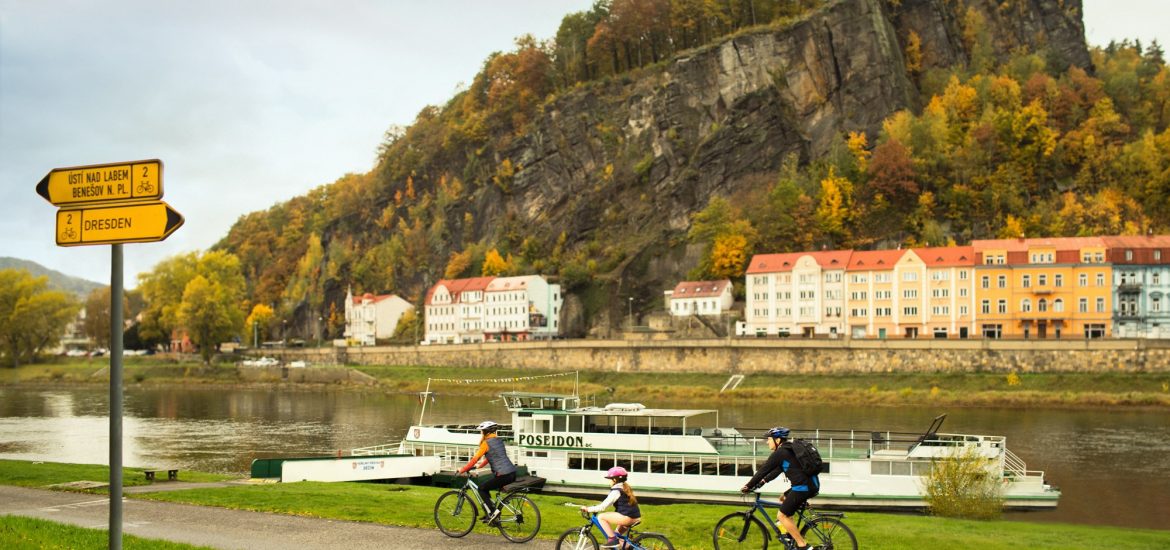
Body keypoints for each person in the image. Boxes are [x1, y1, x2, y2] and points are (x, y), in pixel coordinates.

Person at [740, 427, 820, 550]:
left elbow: (763, 470)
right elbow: (778, 469)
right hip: (810, 485)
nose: (767, 442)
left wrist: (748, 486)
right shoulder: (789, 450)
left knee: (781, 515)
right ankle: (789, 534)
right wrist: (763, 481)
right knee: (783, 498)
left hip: (802, 488)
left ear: (777, 440)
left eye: (768, 439)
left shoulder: (780, 452)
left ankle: (803, 546)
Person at [457, 420, 517, 524]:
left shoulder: (486, 443)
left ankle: (494, 512)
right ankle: (490, 512)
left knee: (481, 488)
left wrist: (462, 469)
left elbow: (474, 459)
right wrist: (479, 467)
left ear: (486, 432)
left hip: (503, 475)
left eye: (482, 431)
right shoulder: (499, 441)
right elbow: (491, 457)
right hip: (512, 473)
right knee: (486, 487)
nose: (481, 433)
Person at [580, 466, 641, 549]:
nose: (609, 482)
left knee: (601, 517)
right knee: (617, 535)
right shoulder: (624, 488)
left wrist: (588, 509)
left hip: (627, 518)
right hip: (634, 517)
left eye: (610, 479)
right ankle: (628, 547)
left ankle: (612, 539)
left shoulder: (616, 491)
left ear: (615, 480)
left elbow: (603, 507)